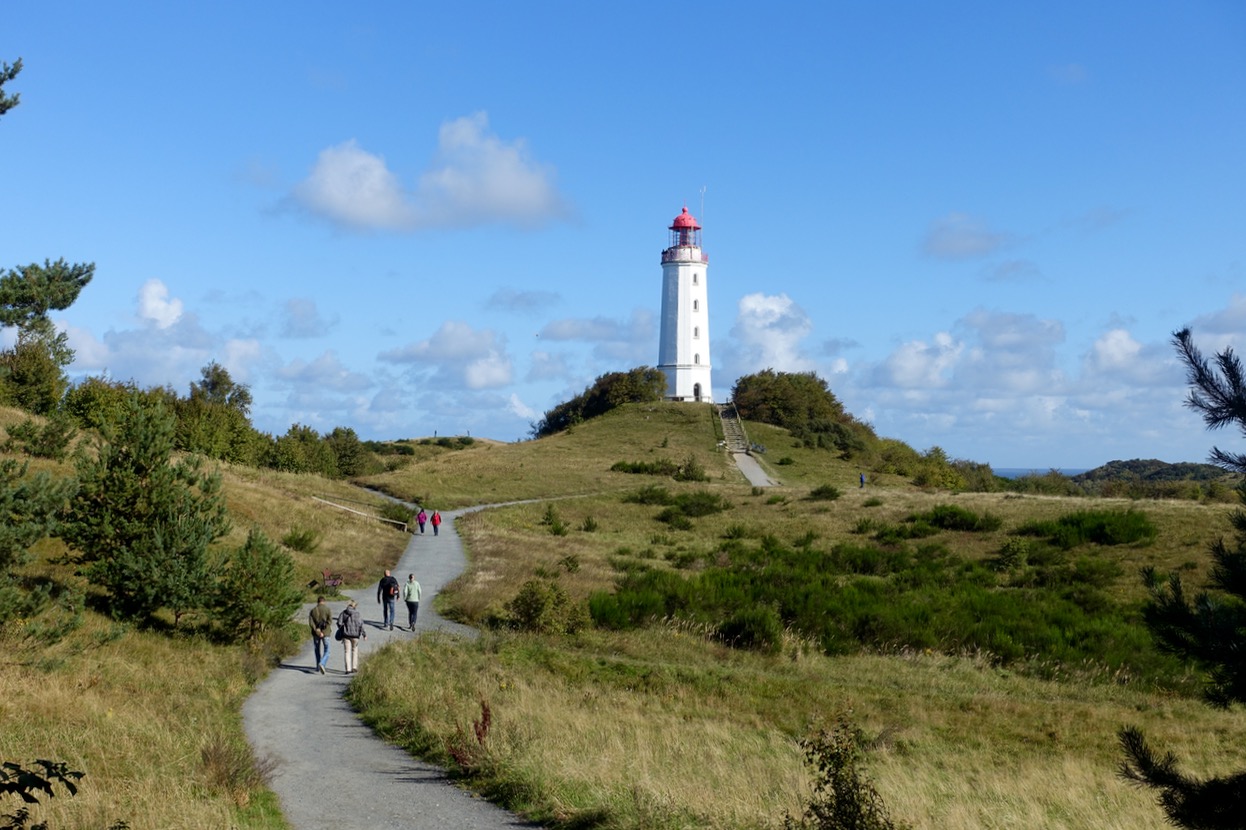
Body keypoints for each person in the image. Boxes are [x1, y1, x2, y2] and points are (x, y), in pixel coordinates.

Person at [337, 599, 366, 674]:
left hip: (346, 635)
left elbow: (339, 623)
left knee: (347, 652)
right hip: (355, 636)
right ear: (354, 606)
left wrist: (343, 628)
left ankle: (348, 669)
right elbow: (361, 625)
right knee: (354, 651)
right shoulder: (358, 614)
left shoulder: (343, 613)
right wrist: (364, 634)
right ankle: (354, 667)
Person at [308, 595, 332, 675]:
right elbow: (330, 621)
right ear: (324, 601)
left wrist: (317, 630)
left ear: (317, 602)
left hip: (316, 633)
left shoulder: (313, 610)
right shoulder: (328, 609)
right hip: (326, 633)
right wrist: (324, 629)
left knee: (317, 650)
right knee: (327, 650)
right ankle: (322, 663)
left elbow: (311, 623)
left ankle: (318, 666)